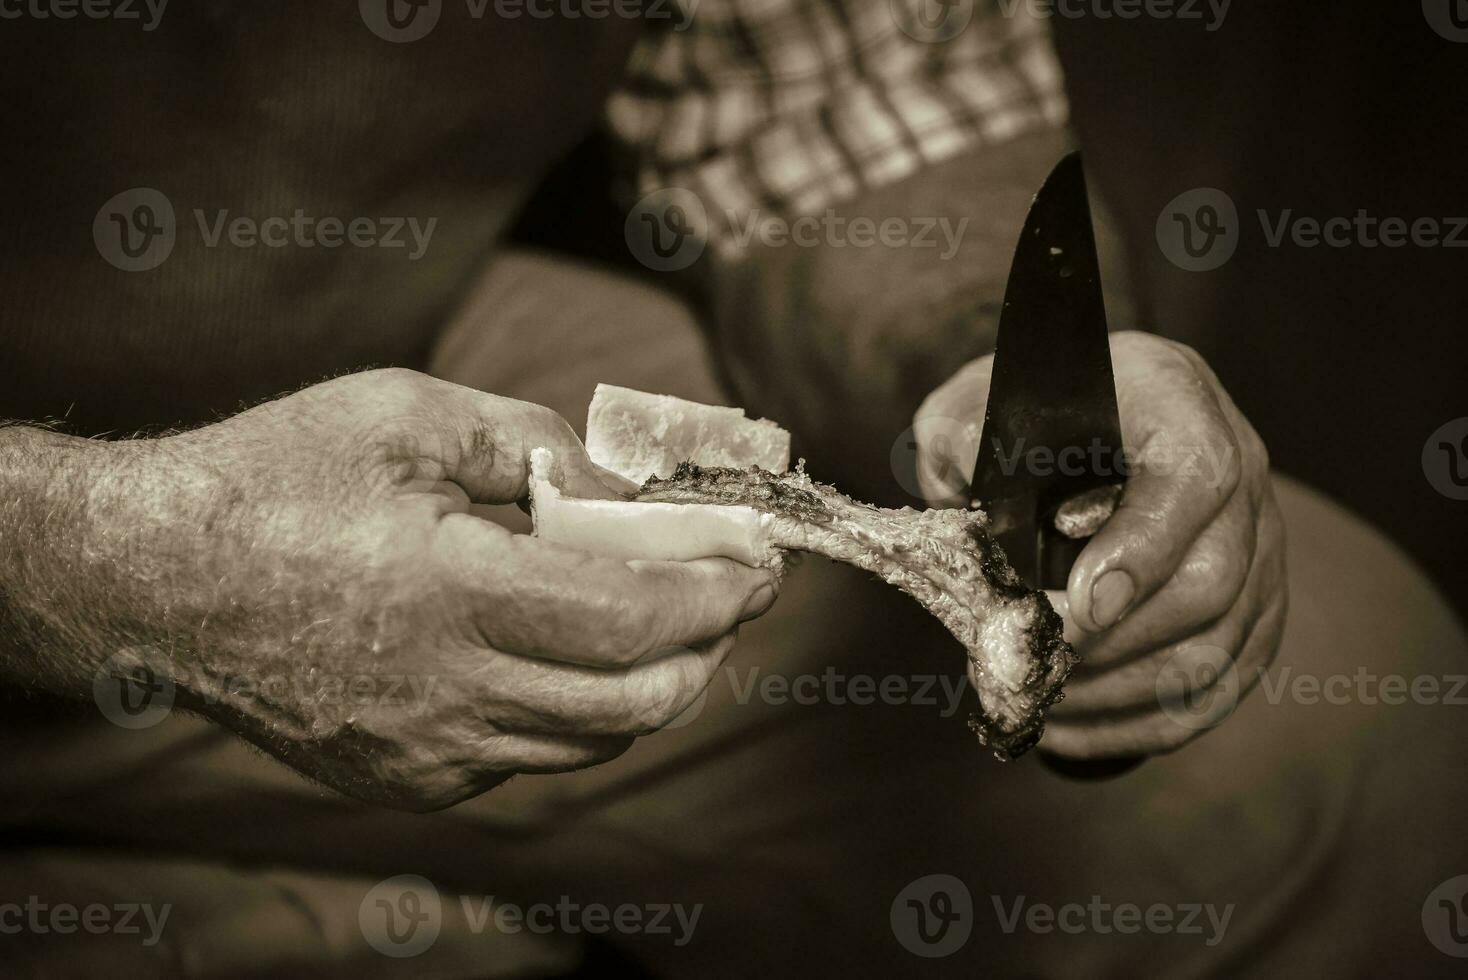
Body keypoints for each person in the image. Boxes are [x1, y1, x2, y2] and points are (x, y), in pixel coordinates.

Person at [1, 2, 1464, 976]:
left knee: (1355, 710)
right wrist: (120, 560)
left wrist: (993, 392)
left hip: (356, 357)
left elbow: (842, 91)